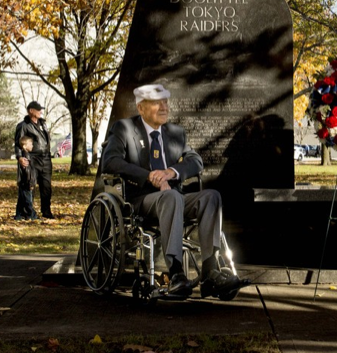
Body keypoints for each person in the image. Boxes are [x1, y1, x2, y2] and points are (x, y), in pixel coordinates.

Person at [102, 83, 247, 300]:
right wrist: (148, 175)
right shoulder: (124, 129)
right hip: (141, 199)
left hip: (173, 196)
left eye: (165, 102)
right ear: (141, 108)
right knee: (171, 197)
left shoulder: (175, 133)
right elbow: (110, 161)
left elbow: (195, 160)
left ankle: (210, 271)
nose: (164, 107)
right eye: (156, 103)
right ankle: (177, 272)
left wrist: (171, 172)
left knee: (211, 197)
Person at [14, 101, 54, 219]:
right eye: (38, 109)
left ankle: (46, 211)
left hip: (46, 159)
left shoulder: (43, 124)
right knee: (29, 185)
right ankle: (27, 212)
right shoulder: (23, 125)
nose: (41, 111)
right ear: (31, 111)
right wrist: (19, 157)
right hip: (32, 159)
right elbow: (17, 143)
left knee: (46, 186)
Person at [15, 136, 38, 221]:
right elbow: (28, 172)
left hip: (23, 182)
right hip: (26, 182)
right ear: (24, 146)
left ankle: (18, 215)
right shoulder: (26, 157)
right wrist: (30, 183)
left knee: (21, 200)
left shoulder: (25, 155)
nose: (32, 145)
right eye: (30, 144)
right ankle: (32, 215)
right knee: (28, 201)